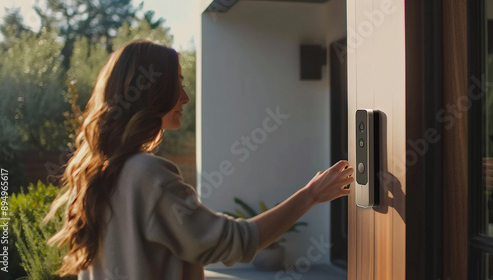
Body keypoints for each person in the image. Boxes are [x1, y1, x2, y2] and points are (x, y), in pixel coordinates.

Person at [43, 39, 354, 280]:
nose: (185, 97)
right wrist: (311, 195)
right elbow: (237, 242)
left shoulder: (97, 172)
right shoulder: (148, 174)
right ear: (152, 91)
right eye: (176, 83)